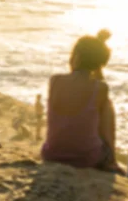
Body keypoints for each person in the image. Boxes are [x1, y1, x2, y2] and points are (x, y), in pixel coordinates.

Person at [42, 31, 119, 171]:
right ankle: (111, 160)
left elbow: (74, 84)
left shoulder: (55, 81)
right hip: (86, 158)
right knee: (107, 105)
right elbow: (95, 82)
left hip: (52, 154)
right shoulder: (100, 88)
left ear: (76, 56)